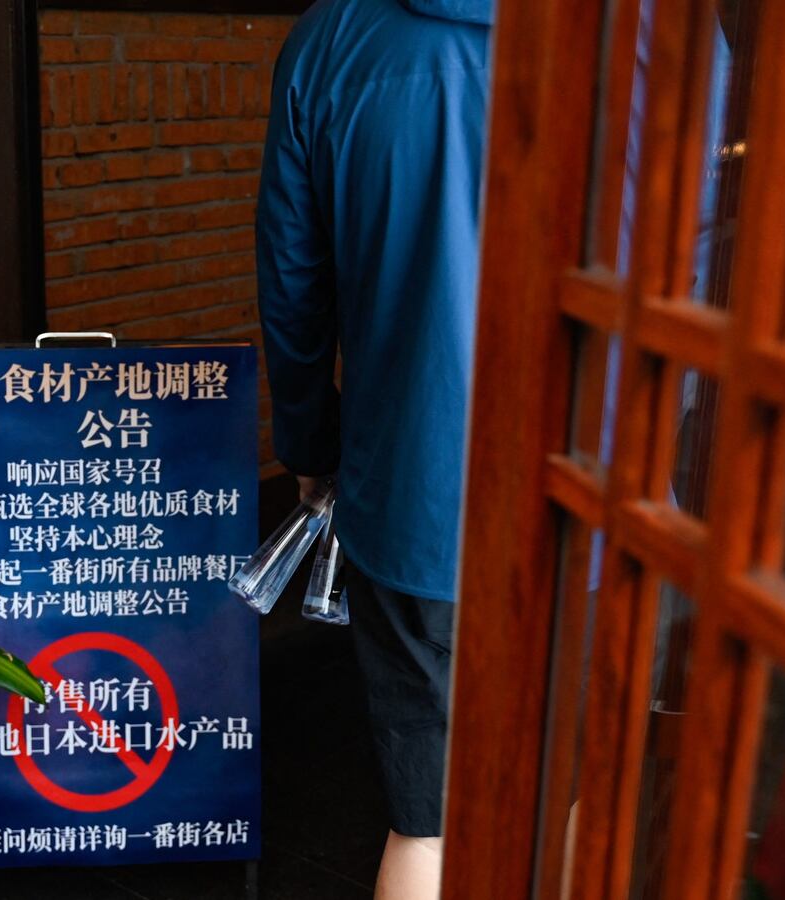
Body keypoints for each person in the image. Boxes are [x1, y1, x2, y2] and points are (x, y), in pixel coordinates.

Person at [256, 0, 491, 897]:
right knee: (572, 796)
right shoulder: (653, 28)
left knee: (424, 825)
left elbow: (293, 279)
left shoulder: (331, 37)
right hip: (600, 488)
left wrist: (311, 443)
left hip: (409, 488)